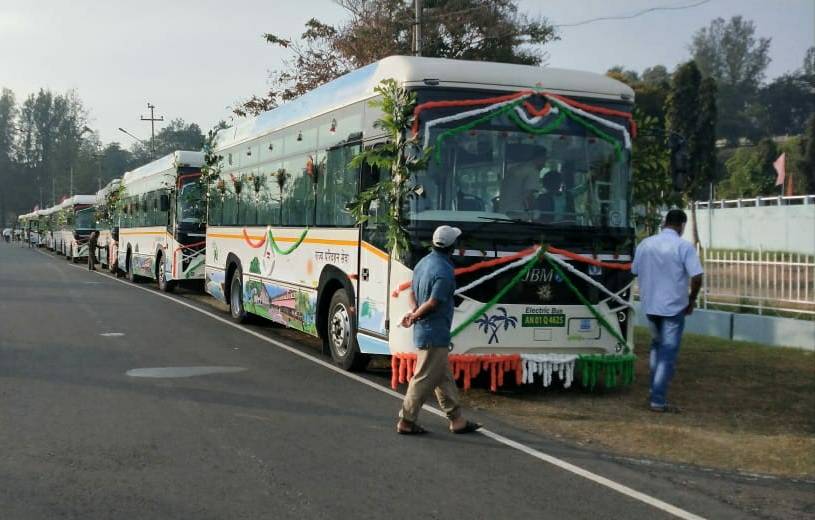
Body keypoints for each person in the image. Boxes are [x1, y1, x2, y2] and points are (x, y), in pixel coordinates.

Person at [396, 225, 482, 435]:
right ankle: (406, 421)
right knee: (423, 379)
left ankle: (457, 419)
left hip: (428, 331)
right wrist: (416, 315)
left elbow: (412, 292)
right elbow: (434, 302)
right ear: (452, 247)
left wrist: (414, 310)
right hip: (434, 332)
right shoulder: (444, 271)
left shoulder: (423, 263)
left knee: (443, 377)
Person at [632, 209, 703, 413]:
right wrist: (692, 299)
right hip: (673, 307)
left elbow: (634, 271)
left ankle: (654, 389)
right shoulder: (683, 246)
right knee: (667, 353)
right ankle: (658, 398)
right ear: (682, 225)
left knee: (657, 346)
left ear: (665, 222)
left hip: (650, 305)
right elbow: (697, 276)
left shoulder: (645, 244)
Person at [497, 144, 546, 214]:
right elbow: (529, 197)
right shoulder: (532, 171)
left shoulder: (514, 169)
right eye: (544, 159)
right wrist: (535, 214)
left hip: (503, 214)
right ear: (539, 158)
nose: (544, 165)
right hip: (517, 215)